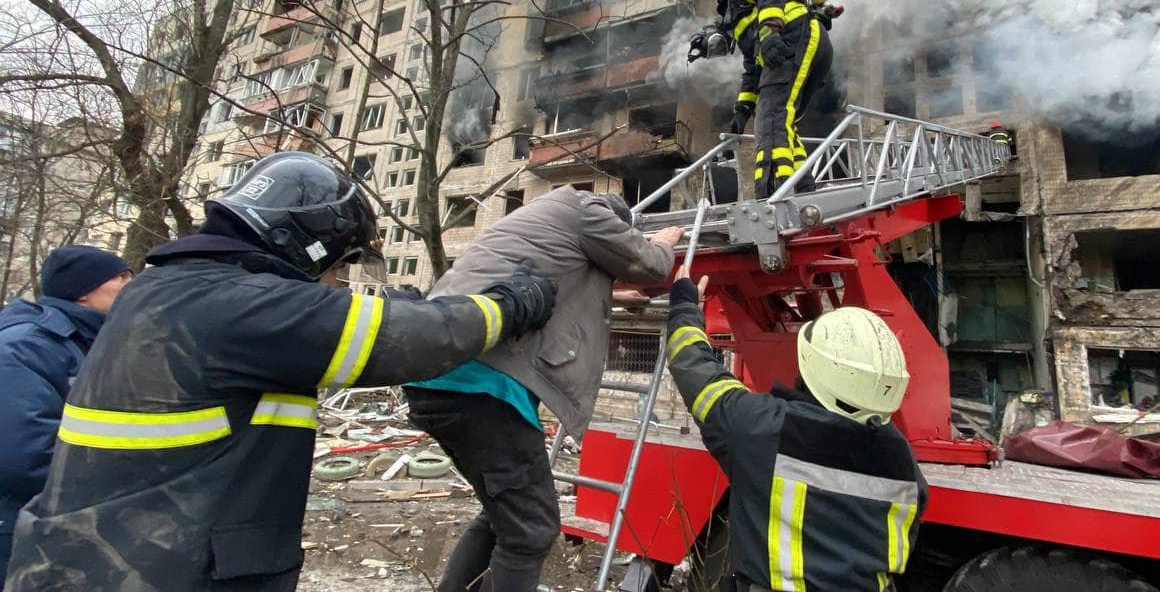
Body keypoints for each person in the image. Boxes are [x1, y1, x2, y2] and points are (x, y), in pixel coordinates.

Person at [4, 151, 558, 592]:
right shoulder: (243, 304)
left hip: (103, 558)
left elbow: (309, 328)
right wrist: (511, 304)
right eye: (338, 265)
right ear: (306, 245)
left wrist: (394, 302)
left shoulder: (169, 289)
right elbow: (413, 340)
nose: (337, 280)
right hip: (159, 568)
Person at [402, 187, 681, 592]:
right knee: (530, 530)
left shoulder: (536, 222)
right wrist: (663, 243)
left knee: (503, 518)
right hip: (483, 387)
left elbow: (556, 280)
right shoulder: (587, 210)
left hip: (439, 376)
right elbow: (650, 264)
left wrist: (614, 294)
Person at [663, 270, 928, 592]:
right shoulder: (904, 466)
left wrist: (684, 303)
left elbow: (693, 366)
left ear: (809, 363)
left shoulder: (763, 429)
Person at [0, 245, 131, 586]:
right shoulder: (25, 346)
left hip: (59, 526)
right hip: (15, 529)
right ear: (83, 292)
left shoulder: (89, 343)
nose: (131, 285)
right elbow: (24, 456)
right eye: (120, 277)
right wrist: (127, 479)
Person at [692, 0, 835, 198]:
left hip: (794, 36)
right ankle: (802, 187)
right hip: (799, 43)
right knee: (782, 122)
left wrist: (770, 31)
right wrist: (741, 111)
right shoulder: (734, 14)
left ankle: (772, 193)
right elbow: (752, 68)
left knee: (770, 119)